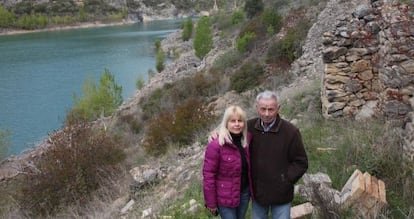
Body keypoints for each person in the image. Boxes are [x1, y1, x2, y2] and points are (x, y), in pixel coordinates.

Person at [248, 90, 308, 219]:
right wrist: (215, 135)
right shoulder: (249, 127)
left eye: (271, 109)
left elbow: (301, 162)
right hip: (258, 193)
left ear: (278, 108)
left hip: (282, 193)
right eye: (263, 109)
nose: (267, 114)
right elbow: (231, 134)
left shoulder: (291, 131)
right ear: (257, 108)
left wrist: (285, 180)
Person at [203, 105, 252, 219]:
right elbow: (208, 175)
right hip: (225, 198)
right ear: (226, 123)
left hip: (244, 193)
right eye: (232, 121)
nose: (236, 124)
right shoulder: (216, 145)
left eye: (239, 121)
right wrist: (211, 202)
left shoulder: (247, 140)